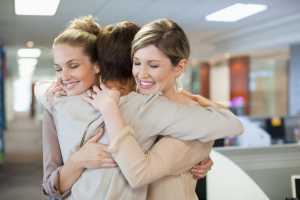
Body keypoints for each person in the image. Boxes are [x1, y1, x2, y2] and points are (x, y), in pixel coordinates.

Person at [37, 17, 243, 200]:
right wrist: (77, 162)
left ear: (98, 65)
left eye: (152, 64)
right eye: (137, 63)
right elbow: (50, 188)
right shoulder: (58, 104)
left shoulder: (148, 105)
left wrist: (197, 153)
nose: (63, 76)